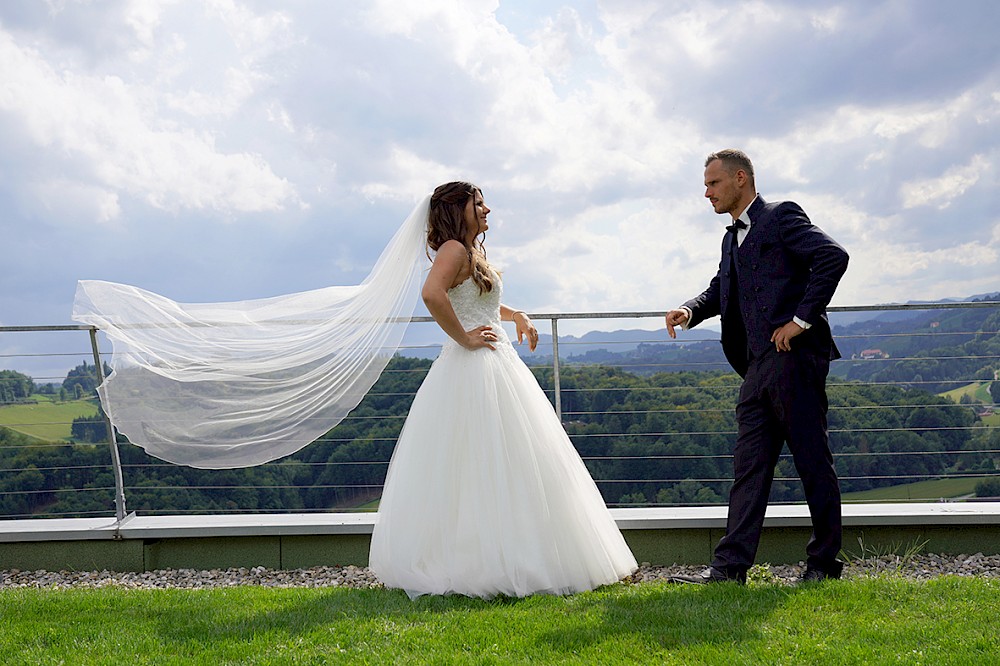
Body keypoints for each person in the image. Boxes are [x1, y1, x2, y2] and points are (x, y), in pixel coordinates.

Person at [367, 181, 637, 599]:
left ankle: (514, 554)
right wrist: (464, 338)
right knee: (480, 462)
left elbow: (480, 301)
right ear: (459, 211)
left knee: (508, 462)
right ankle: (483, 562)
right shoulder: (454, 249)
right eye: (479, 204)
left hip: (498, 366)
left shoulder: (472, 252)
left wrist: (518, 316)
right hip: (472, 370)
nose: (487, 209)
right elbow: (431, 294)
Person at [664, 150, 849, 585]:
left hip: (796, 362)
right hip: (756, 369)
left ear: (740, 179)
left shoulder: (782, 216)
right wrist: (689, 311)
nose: (706, 192)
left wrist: (800, 321)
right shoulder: (730, 239)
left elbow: (833, 257)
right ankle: (730, 569)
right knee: (748, 466)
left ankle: (823, 565)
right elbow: (719, 290)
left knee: (812, 463)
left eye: (713, 184)